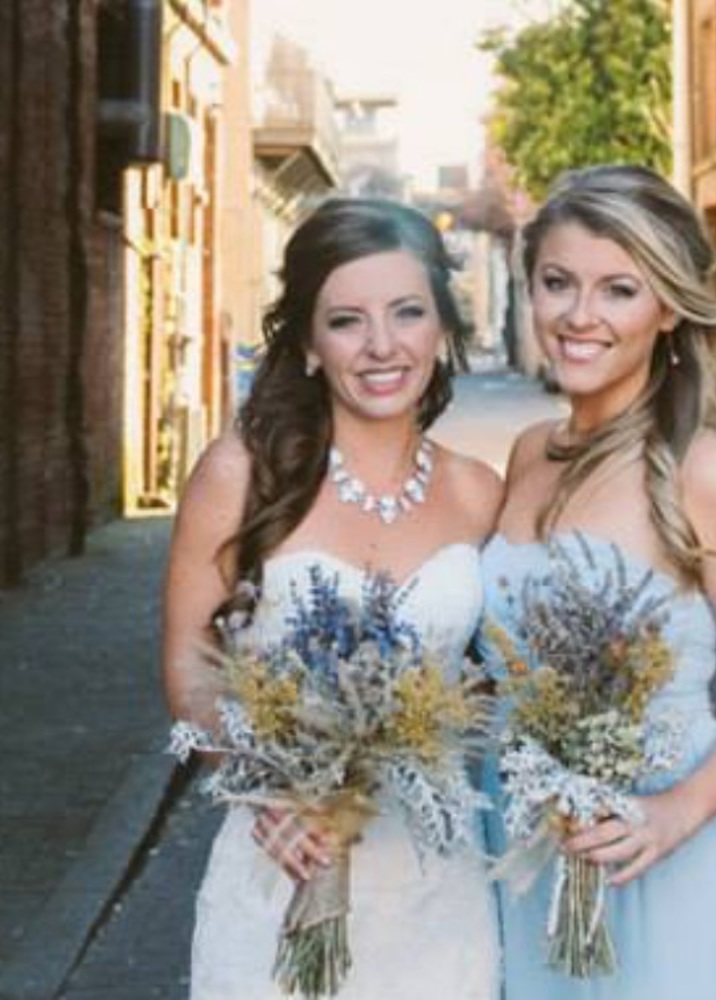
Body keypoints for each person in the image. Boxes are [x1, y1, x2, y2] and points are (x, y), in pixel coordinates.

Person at [481, 165, 716, 999]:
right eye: (558, 283)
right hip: (525, 849)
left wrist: (675, 813)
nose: (579, 316)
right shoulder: (528, 455)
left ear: (668, 309)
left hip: (668, 860)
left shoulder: (707, 473)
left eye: (619, 290)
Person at [162, 197, 503, 999]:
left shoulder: (481, 493)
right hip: (280, 878)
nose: (382, 346)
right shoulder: (240, 475)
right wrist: (259, 782)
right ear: (310, 346)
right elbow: (189, 649)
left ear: (443, 329)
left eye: (408, 313)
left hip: (437, 897)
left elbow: (495, 674)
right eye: (347, 320)